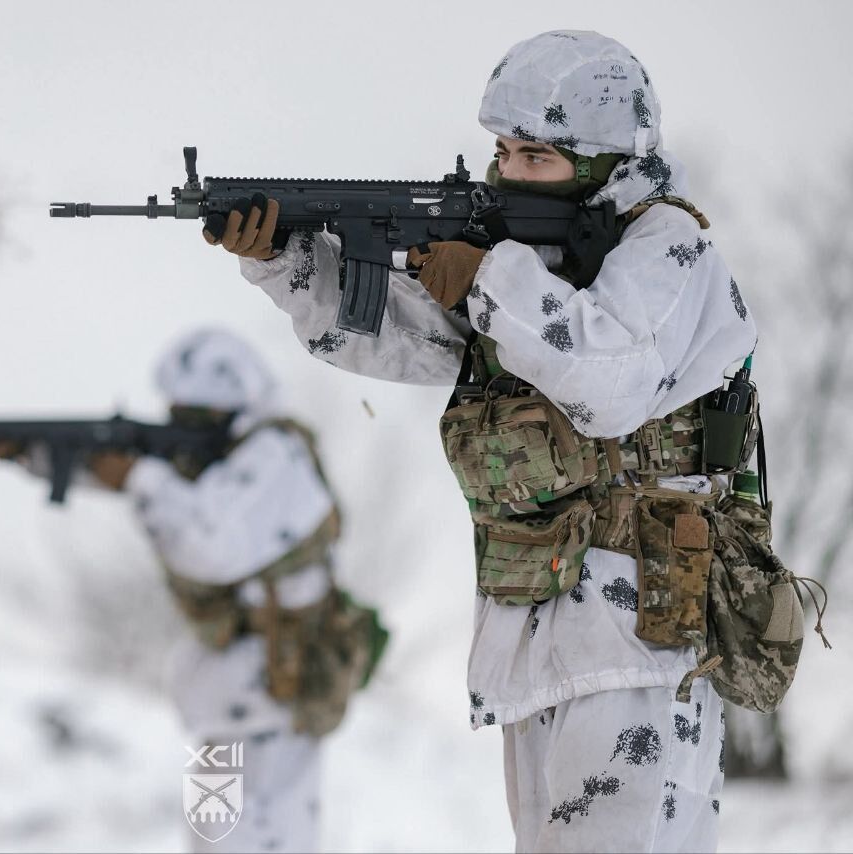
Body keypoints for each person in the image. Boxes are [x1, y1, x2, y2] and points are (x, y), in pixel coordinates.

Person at [204, 30, 760, 853]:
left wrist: (487, 275)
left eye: (534, 154)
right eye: (502, 150)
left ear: (605, 160)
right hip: (538, 641)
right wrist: (289, 260)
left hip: (640, 650)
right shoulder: (526, 269)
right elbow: (392, 337)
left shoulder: (668, 249)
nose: (506, 171)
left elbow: (610, 380)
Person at [0, 327, 385, 853]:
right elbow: (153, 487)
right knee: (212, 837)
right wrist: (33, 456)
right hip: (231, 695)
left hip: (281, 690)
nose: (182, 426)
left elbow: (208, 543)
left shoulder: (275, 455)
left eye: (194, 416)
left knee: (270, 838)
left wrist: (138, 477)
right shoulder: (228, 460)